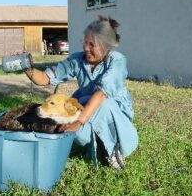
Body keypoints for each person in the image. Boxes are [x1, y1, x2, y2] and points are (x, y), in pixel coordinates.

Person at [23, 15, 138, 169]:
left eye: (92, 45)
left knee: (104, 105)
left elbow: (102, 94)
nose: (85, 48)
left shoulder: (117, 61)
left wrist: (78, 121)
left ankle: (115, 152)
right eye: (85, 43)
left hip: (114, 114)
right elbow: (44, 78)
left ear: (106, 47)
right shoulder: (77, 60)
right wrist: (25, 66)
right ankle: (94, 149)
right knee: (67, 118)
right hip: (88, 110)